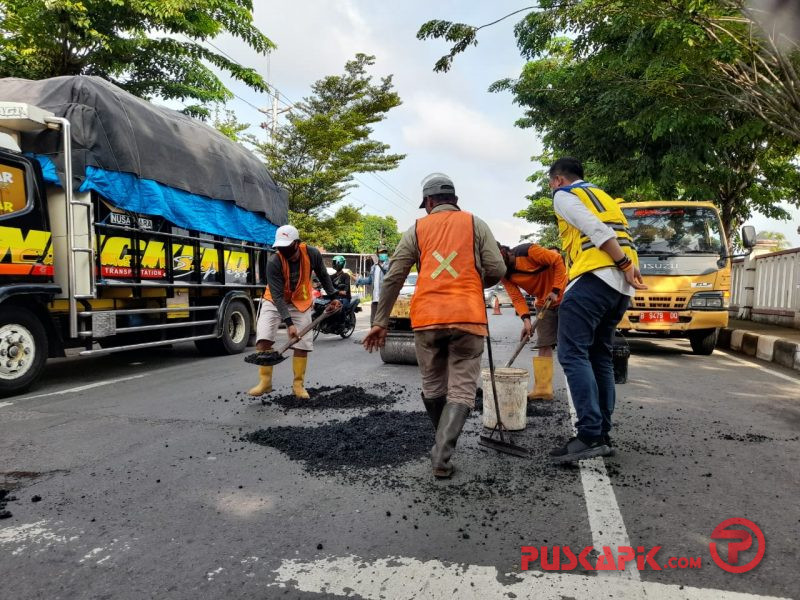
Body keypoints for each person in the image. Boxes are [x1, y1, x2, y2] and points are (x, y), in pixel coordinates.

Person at [363, 173, 506, 478]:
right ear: (455, 199)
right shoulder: (475, 223)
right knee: (462, 389)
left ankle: (441, 444)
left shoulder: (416, 228)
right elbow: (497, 268)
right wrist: (475, 282)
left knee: (433, 385)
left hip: (427, 319)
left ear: (428, 202)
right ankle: (442, 454)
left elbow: (393, 277)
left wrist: (380, 322)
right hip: (468, 318)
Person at [547, 157, 647, 463]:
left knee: (572, 353)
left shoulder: (564, 196)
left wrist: (622, 262)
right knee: (600, 356)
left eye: (551, 183)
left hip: (595, 279)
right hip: (619, 290)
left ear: (558, 180)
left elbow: (595, 228)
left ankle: (589, 434)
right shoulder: (604, 197)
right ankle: (601, 433)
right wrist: (627, 268)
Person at [248, 225, 341, 399]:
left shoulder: (312, 254)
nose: (283, 250)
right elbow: (277, 295)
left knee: (302, 344)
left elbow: (322, 274)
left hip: (300, 302)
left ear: (297, 243)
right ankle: (265, 383)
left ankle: (298, 385)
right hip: (274, 301)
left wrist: (333, 296)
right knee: (263, 339)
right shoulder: (273, 261)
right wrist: (289, 323)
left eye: (287, 246)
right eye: (280, 247)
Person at [498, 242, 567, 401]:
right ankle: (543, 390)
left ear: (505, 254)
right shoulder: (505, 275)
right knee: (544, 344)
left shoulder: (528, 251)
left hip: (565, 297)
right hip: (544, 304)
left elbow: (557, 260)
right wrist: (526, 320)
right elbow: (516, 297)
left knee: (572, 345)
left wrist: (555, 290)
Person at [357, 245, 391, 325]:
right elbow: (369, 280)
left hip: (385, 299)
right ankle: (374, 337)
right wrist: (359, 280)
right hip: (375, 299)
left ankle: (383, 337)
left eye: (385, 252)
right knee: (373, 322)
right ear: (377, 254)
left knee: (383, 322)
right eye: (381, 252)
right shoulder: (374, 267)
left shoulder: (391, 265)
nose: (383, 254)